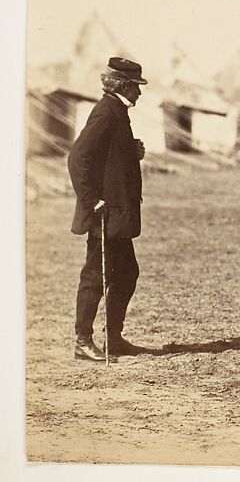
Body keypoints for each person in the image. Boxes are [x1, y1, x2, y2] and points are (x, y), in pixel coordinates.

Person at [67, 56, 148, 361]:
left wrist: (131, 151)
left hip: (118, 215)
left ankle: (113, 338)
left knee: (126, 273)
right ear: (123, 86)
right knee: (95, 276)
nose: (139, 92)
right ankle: (83, 341)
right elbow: (78, 158)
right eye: (136, 86)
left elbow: (107, 157)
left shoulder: (117, 112)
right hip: (106, 213)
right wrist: (91, 201)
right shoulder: (106, 112)